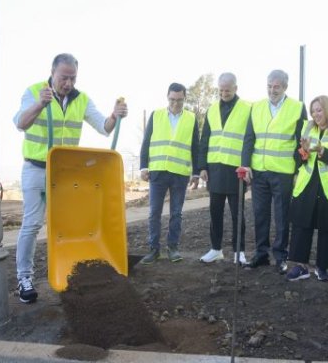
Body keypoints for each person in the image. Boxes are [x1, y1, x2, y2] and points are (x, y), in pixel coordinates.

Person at [13, 53, 128, 303]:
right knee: (32, 224)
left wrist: (115, 115)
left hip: (65, 173)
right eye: (64, 77)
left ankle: (71, 271)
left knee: (69, 225)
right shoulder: (34, 92)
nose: (68, 83)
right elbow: (21, 123)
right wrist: (39, 105)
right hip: (36, 168)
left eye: (72, 78)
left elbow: (104, 128)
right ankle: (24, 278)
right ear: (52, 73)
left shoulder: (81, 99)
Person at [241, 70, 307, 274]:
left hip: (283, 172)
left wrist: (298, 170)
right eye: (269, 86)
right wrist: (246, 164)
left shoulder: (297, 108)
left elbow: (301, 142)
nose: (272, 90)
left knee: (282, 216)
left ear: (285, 87)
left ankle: (280, 256)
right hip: (259, 171)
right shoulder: (257, 106)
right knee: (260, 214)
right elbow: (249, 138)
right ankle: (261, 254)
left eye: (276, 86)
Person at [286, 95, 328, 282]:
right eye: (313, 111)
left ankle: (322, 267)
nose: (315, 114)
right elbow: (298, 158)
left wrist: (320, 150)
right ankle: (301, 266)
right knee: (301, 224)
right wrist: (305, 151)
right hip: (307, 183)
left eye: (319, 110)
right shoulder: (307, 127)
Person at [139, 82, 200, 265]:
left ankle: (172, 248)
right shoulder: (156, 115)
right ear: (167, 97)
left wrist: (196, 173)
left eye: (179, 100)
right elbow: (147, 141)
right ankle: (153, 249)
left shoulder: (191, 118)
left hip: (180, 173)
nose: (175, 104)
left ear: (184, 99)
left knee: (176, 213)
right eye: (172, 100)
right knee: (154, 213)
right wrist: (143, 167)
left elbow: (195, 147)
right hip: (157, 172)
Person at [197, 73, 251, 265]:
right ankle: (216, 249)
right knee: (215, 212)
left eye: (227, 90)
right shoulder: (211, 109)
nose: (224, 93)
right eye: (220, 90)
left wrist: (247, 165)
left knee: (238, 214)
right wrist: (202, 167)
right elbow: (205, 140)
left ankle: (239, 251)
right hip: (215, 170)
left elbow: (249, 139)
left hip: (237, 170)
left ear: (236, 88)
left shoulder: (247, 108)